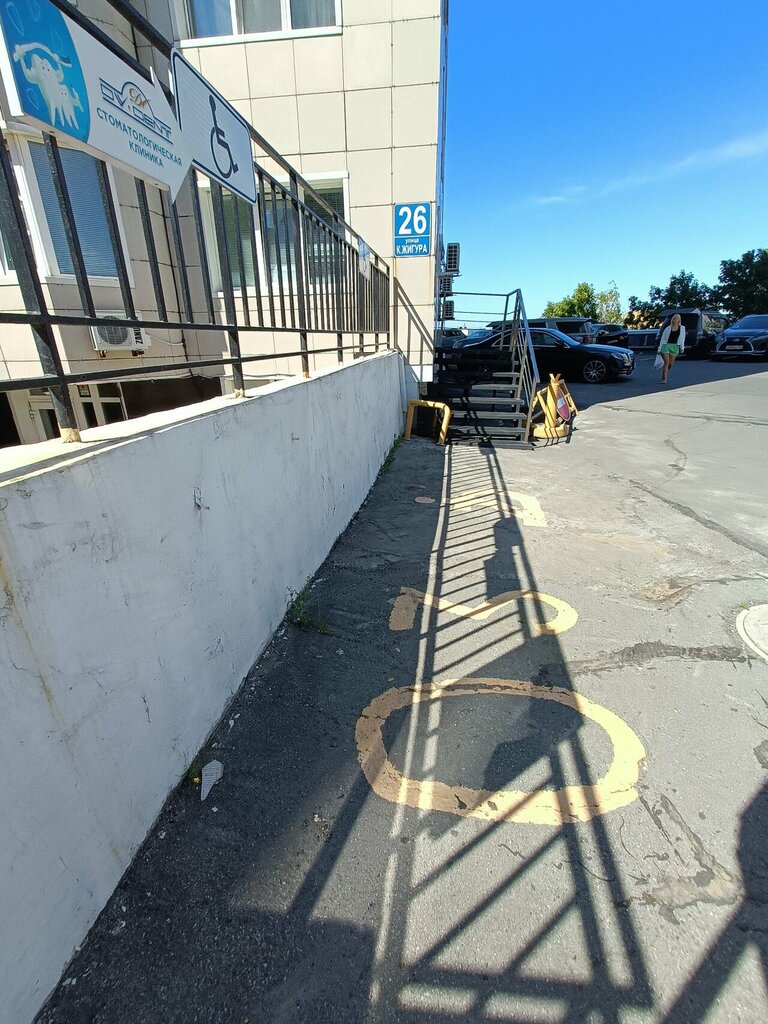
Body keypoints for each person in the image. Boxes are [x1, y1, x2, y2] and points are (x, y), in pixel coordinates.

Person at [657, 314, 686, 383]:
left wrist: (682, 347)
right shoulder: (668, 328)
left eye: (677, 318)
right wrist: (659, 348)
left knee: (670, 364)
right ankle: (665, 379)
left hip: (675, 346)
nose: (675, 319)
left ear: (679, 320)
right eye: (674, 318)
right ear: (672, 319)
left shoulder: (682, 328)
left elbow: (682, 338)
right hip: (666, 346)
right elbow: (663, 338)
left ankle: (664, 375)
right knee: (666, 362)